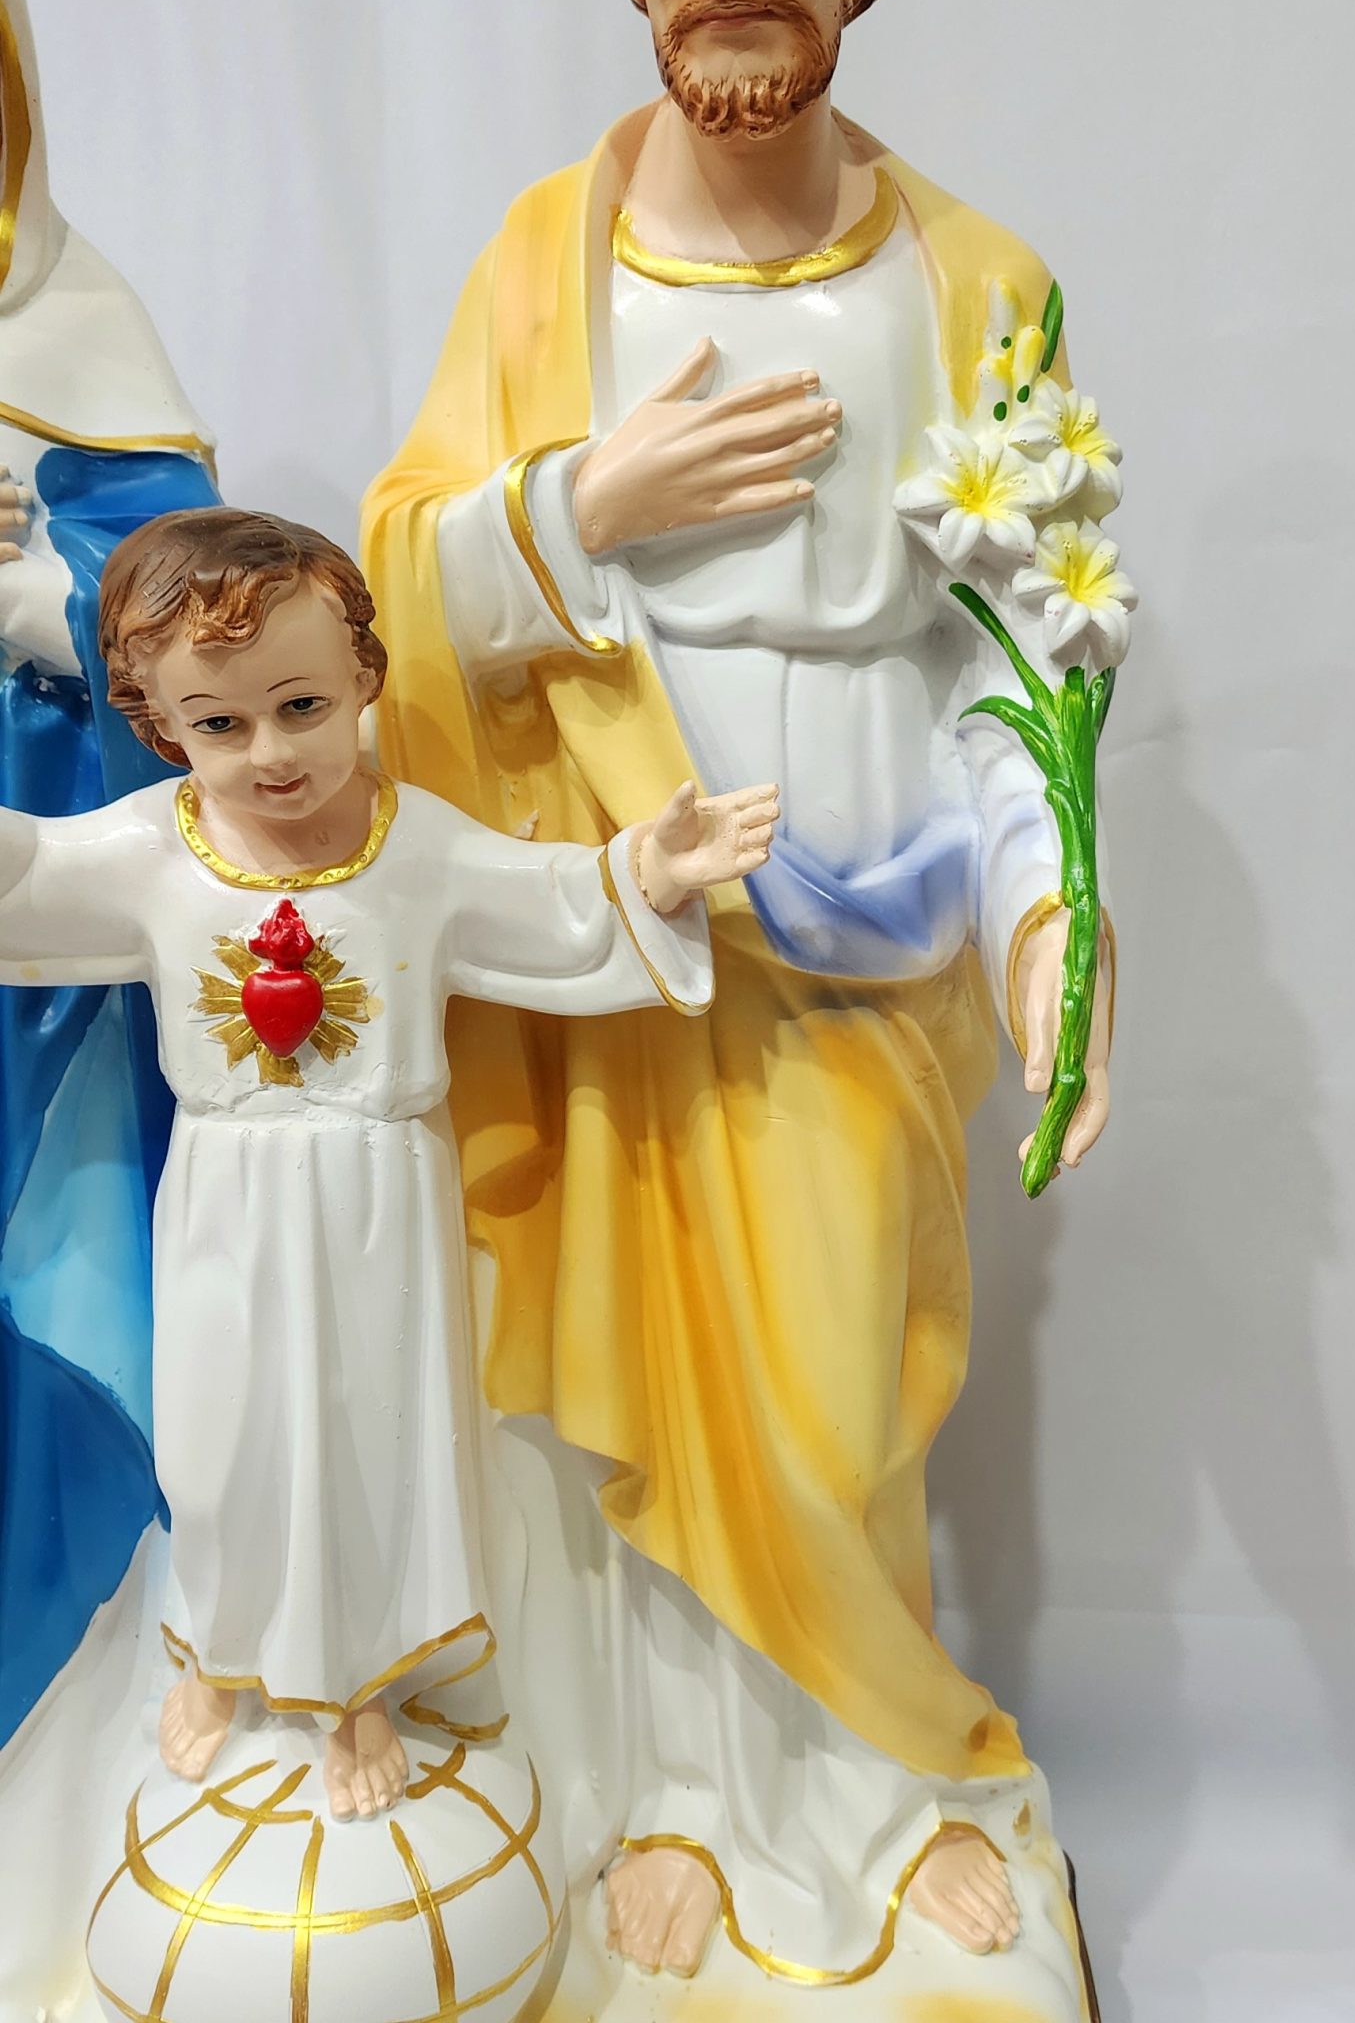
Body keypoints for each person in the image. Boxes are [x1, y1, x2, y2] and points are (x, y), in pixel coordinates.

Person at [363, 0, 1116, 2005]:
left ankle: (895, 1786)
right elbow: (395, 590)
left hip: (871, 952)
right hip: (636, 938)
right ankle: (686, 1790)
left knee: (838, 1395)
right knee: (654, 1400)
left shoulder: (973, 281)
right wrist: (579, 503)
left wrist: (1049, 916)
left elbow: (1024, 663)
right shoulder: (553, 261)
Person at [0, 505, 777, 1821]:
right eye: (220, 725)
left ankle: (355, 1684)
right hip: (226, 1198)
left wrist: (645, 871)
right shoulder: (153, 849)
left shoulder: (413, 846)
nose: (270, 753)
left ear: (364, 674)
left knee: (367, 1439)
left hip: (377, 1198)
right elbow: (27, 875)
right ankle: (219, 1647)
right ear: (161, 726)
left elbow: (550, 903)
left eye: (301, 705)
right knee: (222, 1438)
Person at [0, 0, 218, 1760]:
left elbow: (193, 629)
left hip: (35, 935)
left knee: (52, 1282)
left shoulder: (79, 330)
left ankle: (56, 1718)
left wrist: (33, 602)